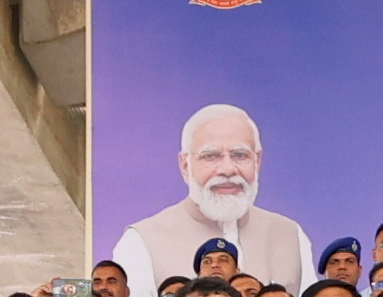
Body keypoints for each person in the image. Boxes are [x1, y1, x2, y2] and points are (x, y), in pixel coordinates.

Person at [112, 103, 314, 287]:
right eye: (210, 156)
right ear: (184, 165)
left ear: (257, 161)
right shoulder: (142, 240)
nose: (227, 169)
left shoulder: (290, 235)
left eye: (239, 155)